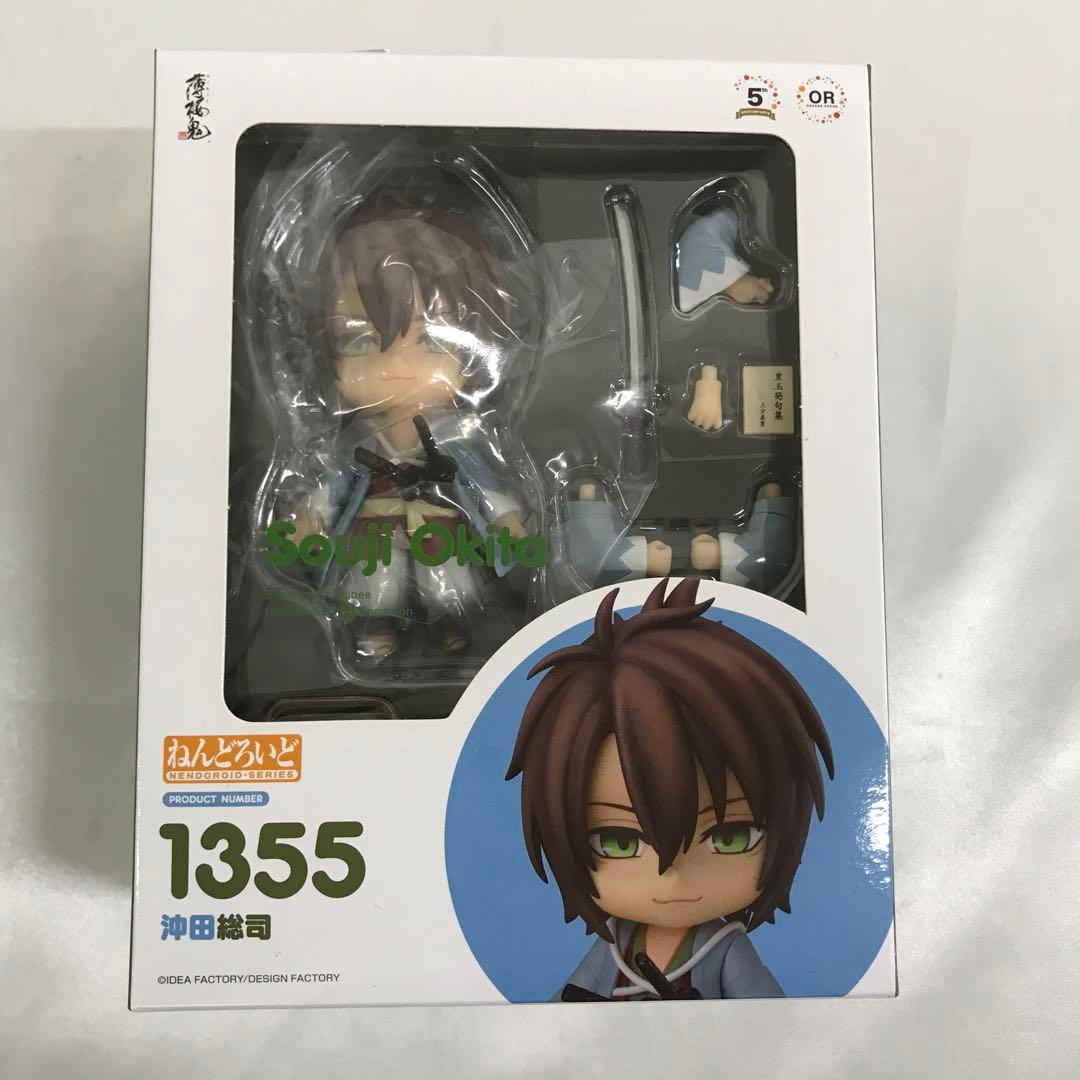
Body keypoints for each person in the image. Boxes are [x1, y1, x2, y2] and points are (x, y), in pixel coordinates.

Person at [505, 577, 833, 1000]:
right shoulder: (616, 947)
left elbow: (770, 1018)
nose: (672, 876)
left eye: (731, 836)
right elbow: (566, 1006)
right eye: (619, 842)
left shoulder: (724, 949)